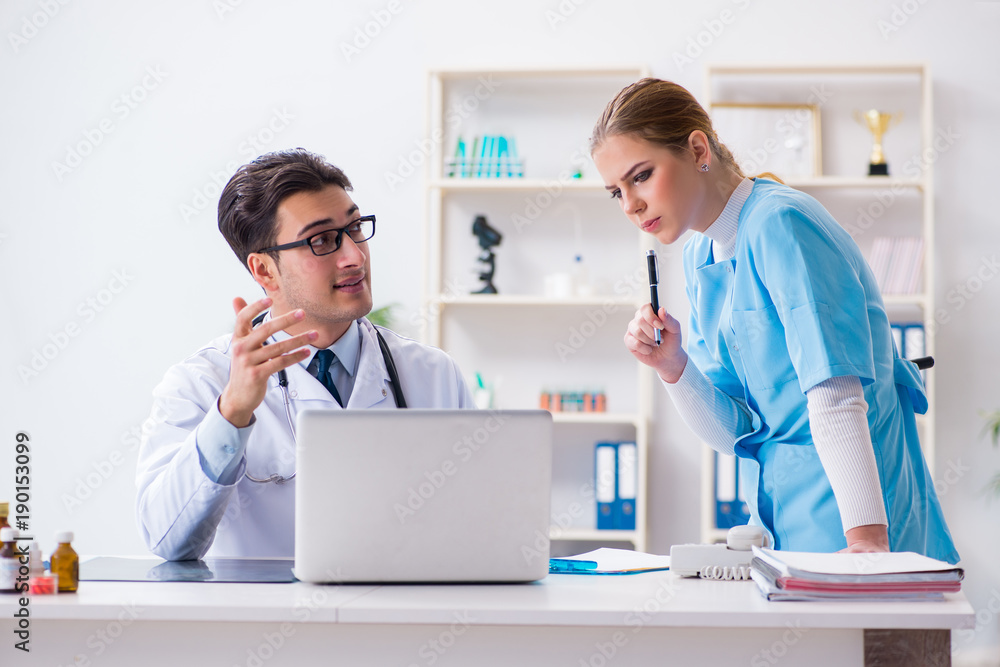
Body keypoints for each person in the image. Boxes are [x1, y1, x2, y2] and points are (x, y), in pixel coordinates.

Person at [590, 79, 958, 562]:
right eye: (615, 192)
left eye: (641, 176)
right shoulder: (702, 255)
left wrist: (868, 545)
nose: (631, 205)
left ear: (697, 147)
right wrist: (673, 368)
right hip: (786, 530)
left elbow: (836, 391)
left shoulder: (782, 223)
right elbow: (736, 433)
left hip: (860, 526)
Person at [135, 149, 475, 560]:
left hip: (397, 620)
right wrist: (231, 414)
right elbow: (168, 542)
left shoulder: (432, 374)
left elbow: (478, 527)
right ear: (264, 271)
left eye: (354, 228)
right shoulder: (201, 382)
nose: (355, 256)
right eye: (322, 240)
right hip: (262, 621)